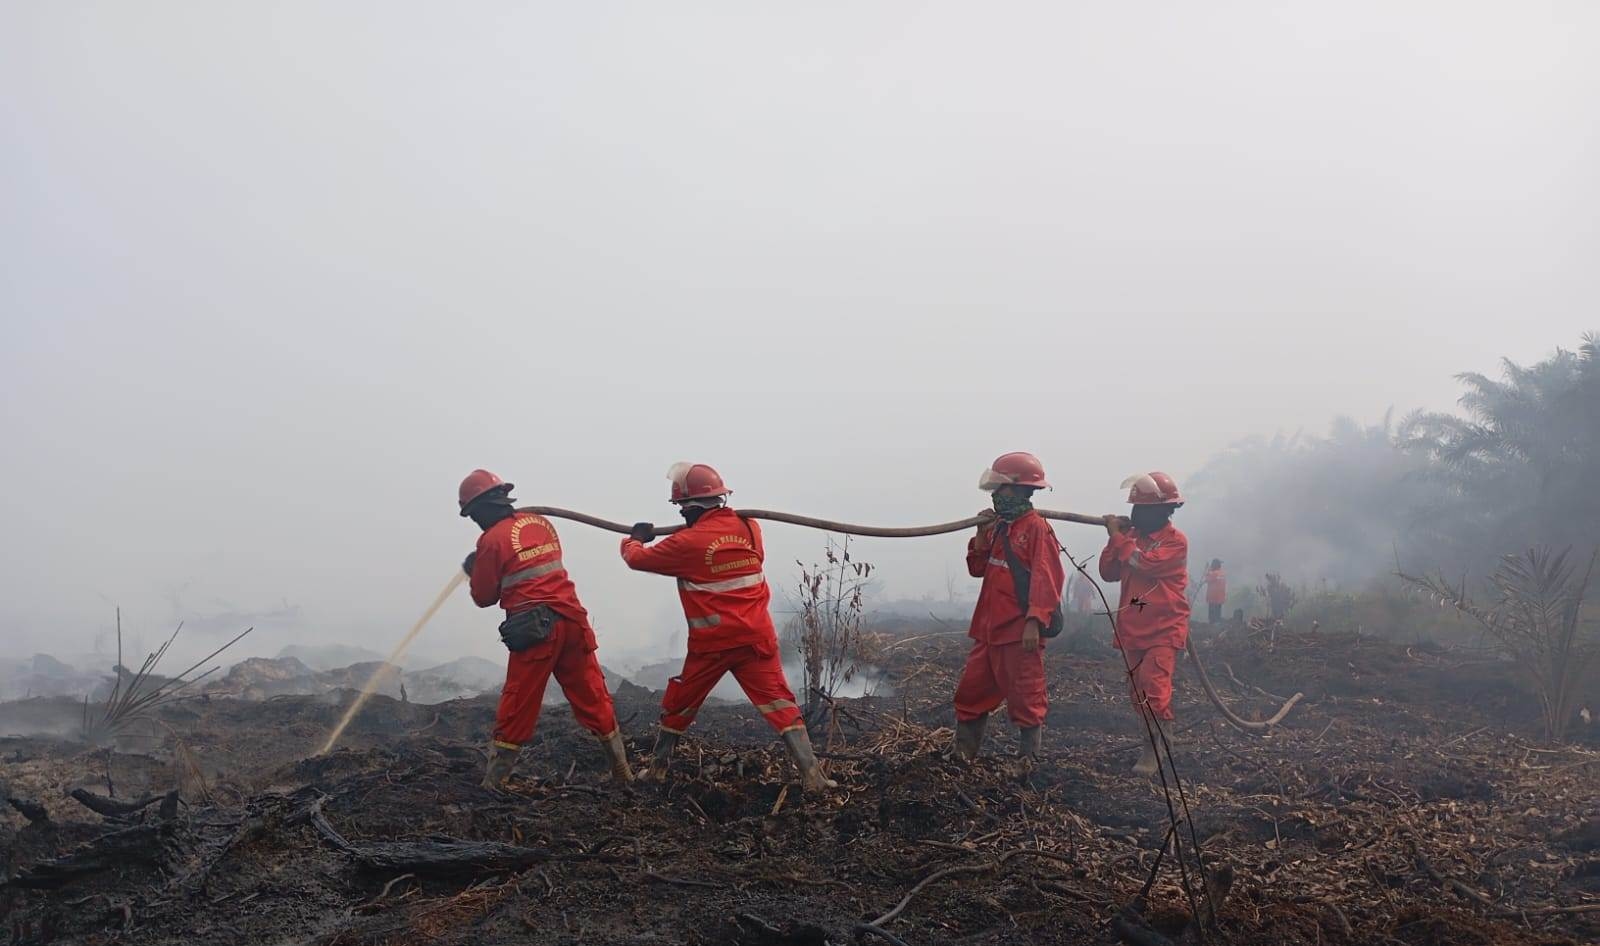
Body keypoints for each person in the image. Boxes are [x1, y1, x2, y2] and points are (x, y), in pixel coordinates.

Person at [621, 463, 836, 792]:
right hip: (756, 638)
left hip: (713, 645)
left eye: (681, 508)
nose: (681, 514)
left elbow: (637, 559)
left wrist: (635, 539)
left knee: (679, 705)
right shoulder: (749, 527)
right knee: (781, 702)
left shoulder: (686, 544)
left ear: (690, 507)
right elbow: (755, 559)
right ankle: (813, 776)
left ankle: (657, 770)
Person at [459, 470, 633, 790]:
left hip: (536, 630)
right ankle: (621, 770)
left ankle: (495, 782)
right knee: (593, 695)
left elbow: (484, 597)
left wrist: (474, 569)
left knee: (517, 703)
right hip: (573, 621)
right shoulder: (539, 523)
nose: (474, 522)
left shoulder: (491, 540)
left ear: (481, 508)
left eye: (472, 516)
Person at [951, 452, 1066, 763]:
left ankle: (1027, 763)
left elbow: (1047, 578)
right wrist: (980, 533)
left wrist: (1034, 621)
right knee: (972, 692)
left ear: (1018, 489)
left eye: (1001, 489)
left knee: (1025, 696)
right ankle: (962, 756)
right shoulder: (1001, 527)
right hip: (988, 629)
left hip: (1018, 630)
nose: (996, 495)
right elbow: (977, 568)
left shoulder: (1037, 529)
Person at [1098, 471, 1189, 777]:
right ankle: (1161, 742)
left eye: (1143, 509)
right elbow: (1108, 572)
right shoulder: (1130, 539)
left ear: (1164, 511)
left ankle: (1155, 751)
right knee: (1138, 692)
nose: (1137, 514)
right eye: (1135, 508)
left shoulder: (1175, 542)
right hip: (1132, 628)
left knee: (1153, 686)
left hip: (1164, 628)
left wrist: (1119, 538)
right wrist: (1115, 539)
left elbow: (1146, 564)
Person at [1201, 558, 1227, 624]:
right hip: (1220, 598)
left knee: (1212, 617)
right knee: (1218, 615)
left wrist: (1207, 571)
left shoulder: (1214, 574)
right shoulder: (1222, 573)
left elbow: (1206, 579)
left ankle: (1212, 627)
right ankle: (1217, 625)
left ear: (1214, 566)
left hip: (1213, 598)